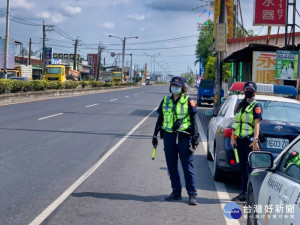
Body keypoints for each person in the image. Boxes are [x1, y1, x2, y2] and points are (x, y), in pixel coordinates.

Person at [152, 76, 199, 205]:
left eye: (178, 86)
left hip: (184, 137)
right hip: (169, 137)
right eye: (173, 85)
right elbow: (160, 119)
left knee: (187, 167)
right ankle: (176, 191)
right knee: (171, 166)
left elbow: (194, 121)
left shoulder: (188, 101)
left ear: (183, 88)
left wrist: (195, 139)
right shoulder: (165, 100)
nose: (175, 88)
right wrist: (155, 136)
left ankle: (192, 195)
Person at [230, 81, 262, 201]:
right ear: (244, 91)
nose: (248, 91)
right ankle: (243, 193)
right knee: (241, 167)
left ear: (255, 92)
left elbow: (257, 124)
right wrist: (233, 137)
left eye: (251, 89)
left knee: (251, 169)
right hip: (239, 141)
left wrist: (255, 140)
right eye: (247, 89)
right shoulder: (240, 105)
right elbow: (236, 122)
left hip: (249, 141)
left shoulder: (256, 106)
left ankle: (252, 196)